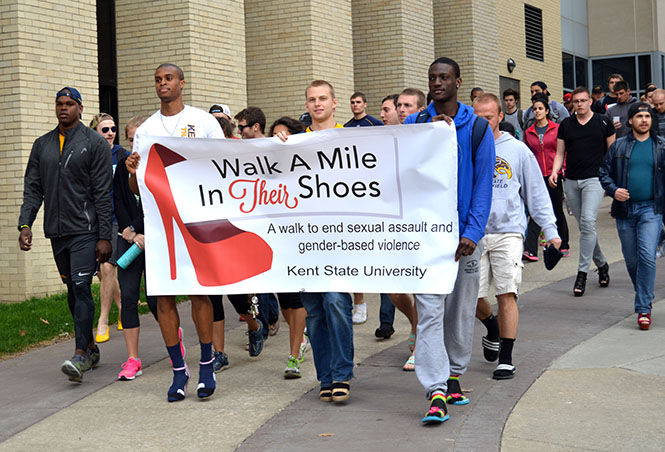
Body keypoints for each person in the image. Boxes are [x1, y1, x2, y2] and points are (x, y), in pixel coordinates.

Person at [126, 63, 225, 402]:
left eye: (168, 79)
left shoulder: (204, 122)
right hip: (160, 224)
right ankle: (179, 370)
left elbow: (225, 166)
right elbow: (137, 187)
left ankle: (208, 364)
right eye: (157, 80)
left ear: (182, 83)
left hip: (195, 220)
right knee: (163, 297)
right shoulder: (147, 129)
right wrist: (131, 172)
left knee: (199, 293)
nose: (162, 84)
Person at [404, 58, 495, 424]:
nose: (437, 83)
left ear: (458, 81)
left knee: (460, 309)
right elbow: (391, 162)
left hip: (464, 238)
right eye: (432, 78)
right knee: (429, 312)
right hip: (427, 237)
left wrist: (473, 232)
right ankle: (436, 389)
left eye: (444, 77)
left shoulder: (475, 128)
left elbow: (484, 184)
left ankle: (454, 372)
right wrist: (429, 135)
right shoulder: (415, 124)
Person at [19, 87, 113, 382]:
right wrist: (25, 224)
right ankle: (89, 345)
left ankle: (80, 356)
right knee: (73, 291)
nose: (63, 109)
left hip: (85, 230)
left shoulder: (94, 143)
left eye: (69, 104)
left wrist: (104, 235)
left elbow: (102, 193)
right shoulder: (42, 144)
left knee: (83, 287)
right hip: (57, 232)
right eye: (59, 104)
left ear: (80, 108)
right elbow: (33, 187)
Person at [275, 80, 354, 402]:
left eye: (323, 99)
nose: (317, 104)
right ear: (306, 105)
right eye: (312, 99)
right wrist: (276, 146)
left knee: (336, 302)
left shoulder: (350, 139)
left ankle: (343, 374)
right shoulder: (293, 142)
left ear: (335, 104)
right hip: (304, 242)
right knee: (316, 311)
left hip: (338, 239)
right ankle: (326, 376)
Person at [473, 93, 561, 380]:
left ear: (500, 117)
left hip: (508, 231)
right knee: (472, 299)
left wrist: (552, 233)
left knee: (506, 293)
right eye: (478, 117)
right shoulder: (465, 147)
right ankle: (492, 328)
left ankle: (506, 358)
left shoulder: (518, 150)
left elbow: (536, 194)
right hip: (474, 234)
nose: (483, 122)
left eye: (489, 117)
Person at [600, 103, 665, 330]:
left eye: (647, 116)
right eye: (639, 116)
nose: (644, 120)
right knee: (632, 260)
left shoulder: (661, 146)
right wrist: (614, 190)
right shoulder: (618, 146)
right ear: (630, 121)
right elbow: (603, 173)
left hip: (651, 210)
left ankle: (643, 308)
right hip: (625, 210)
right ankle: (644, 295)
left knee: (647, 255)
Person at [549, 87, 615, 296]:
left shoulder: (603, 121)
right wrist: (554, 172)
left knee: (587, 223)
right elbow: (560, 153)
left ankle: (582, 274)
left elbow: (612, 154)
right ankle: (602, 265)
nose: (579, 104)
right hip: (570, 181)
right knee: (585, 227)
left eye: (583, 100)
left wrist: (612, 180)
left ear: (589, 101)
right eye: (576, 101)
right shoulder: (566, 125)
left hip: (594, 179)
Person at [114, 115, 159, 380]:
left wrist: (142, 231)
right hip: (129, 239)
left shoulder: (157, 164)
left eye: (138, 139)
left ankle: (173, 340)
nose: (134, 145)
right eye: (131, 139)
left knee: (156, 299)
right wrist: (128, 233)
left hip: (154, 241)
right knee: (128, 297)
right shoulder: (122, 167)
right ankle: (132, 359)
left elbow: (155, 204)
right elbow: (118, 200)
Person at [89, 113, 127, 344]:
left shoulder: (121, 155)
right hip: (93, 219)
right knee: (103, 271)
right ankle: (123, 308)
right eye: (105, 130)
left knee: (106, 266)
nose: (110, 133)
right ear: (95, 133)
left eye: (113, 129)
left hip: (114, 218)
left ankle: (103, 321)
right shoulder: (90, 155)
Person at [522, 96, 570, 260]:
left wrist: (560, 170)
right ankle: (530, 250)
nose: (537, 111)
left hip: (553, 173)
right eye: (534, 109)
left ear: (547, 111)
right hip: (536, 175)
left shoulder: (557, 129)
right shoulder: (528, 132)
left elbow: (562, 152)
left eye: (540, 109)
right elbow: (527, 155)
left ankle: (563, 244)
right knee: (536, 210)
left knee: (556, 210)